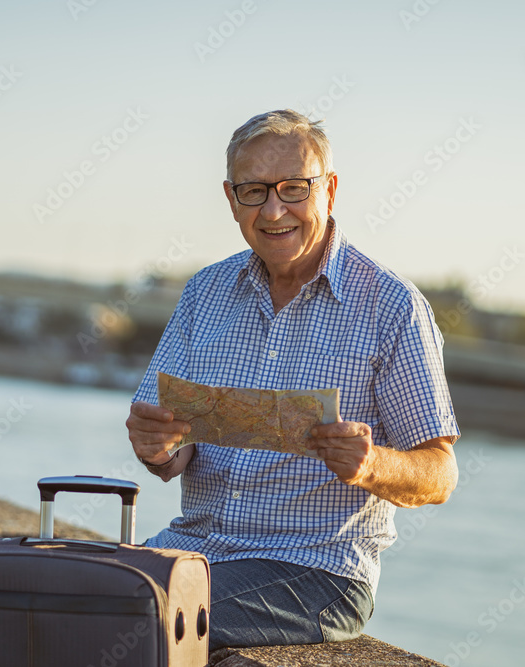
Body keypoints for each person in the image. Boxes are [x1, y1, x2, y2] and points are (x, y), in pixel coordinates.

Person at [126, 109, 460, 650]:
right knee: (73, 597)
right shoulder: (204, 293)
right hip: (194, 549)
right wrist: (157, 446)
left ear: (329, 190)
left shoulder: (392, 307)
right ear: (231, 199)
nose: (274, 209)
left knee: (142, 622)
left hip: (317, 571)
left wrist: (372, 464)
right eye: (254, 191)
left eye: (294, 188)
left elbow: (440, 475)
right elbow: (170, 459)